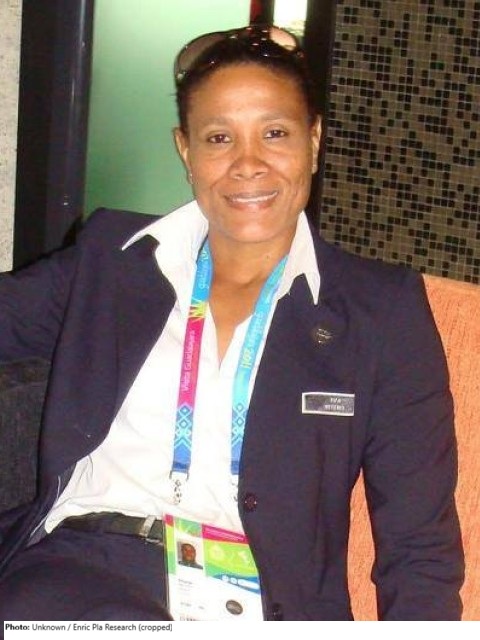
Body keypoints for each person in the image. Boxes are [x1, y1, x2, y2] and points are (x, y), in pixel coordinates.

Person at [0, 25, 464, 621]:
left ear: (314, 140)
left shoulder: (380, 310)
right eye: (219, 138)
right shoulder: (111, 262)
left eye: (275, 133)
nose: (248, 164)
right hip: (90, 567)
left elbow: (419, 544)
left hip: (268, 602)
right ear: (186, 151)